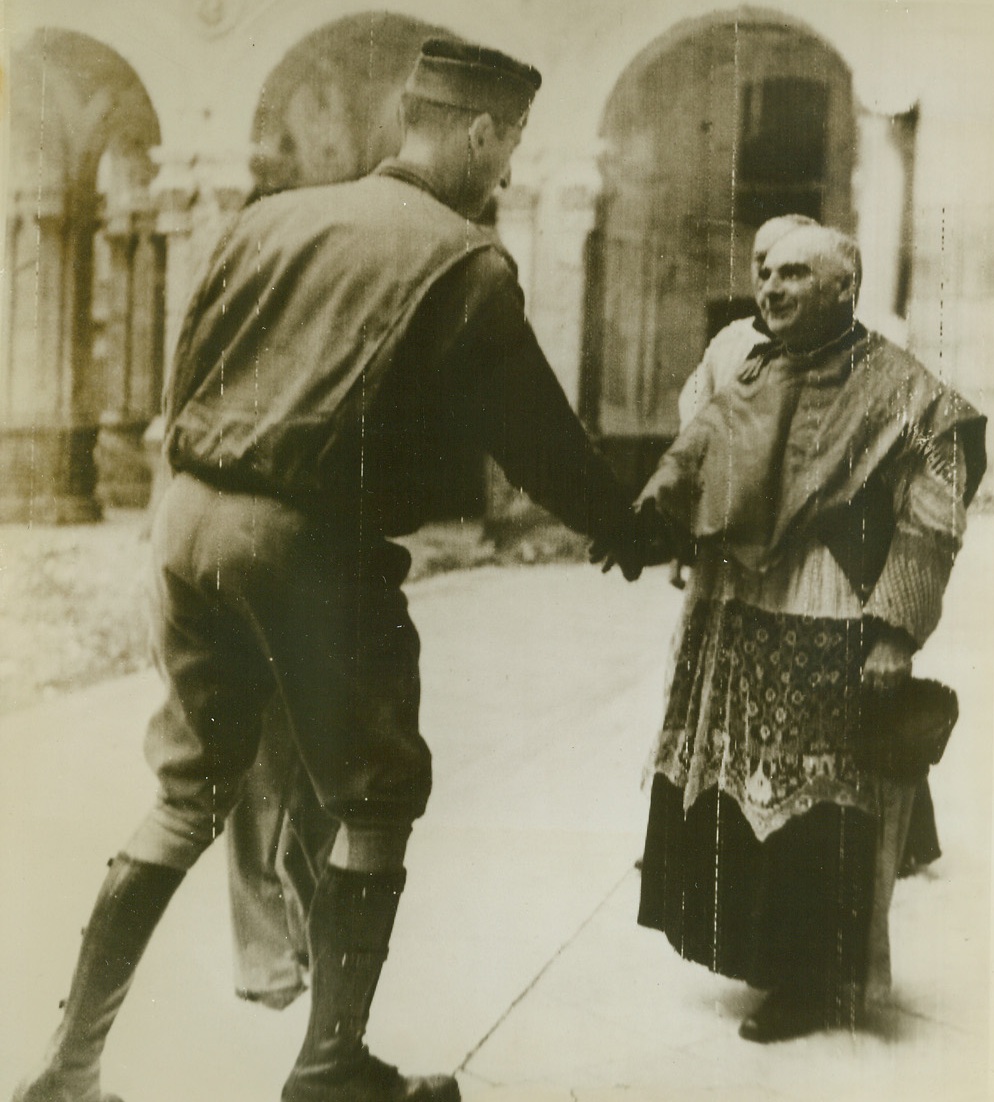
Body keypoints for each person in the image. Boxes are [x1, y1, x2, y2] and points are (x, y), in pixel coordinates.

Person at [13, 38, 654, 1102]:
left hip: (186, 516)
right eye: (508, 151)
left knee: (186, 791)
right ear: (484, 132)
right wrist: (626, 529)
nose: (503, 177)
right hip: (304, 541)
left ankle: (66, 1071)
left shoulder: (267, 218)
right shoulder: (467, 259)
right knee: (378, 795)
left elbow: (188, 376)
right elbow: (537, 437)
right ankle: (330, 1071)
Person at [628, 224, 986, 1042]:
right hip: (738, 608)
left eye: (795, 274)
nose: (773, 288)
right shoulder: (746, 360)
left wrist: (897, 625)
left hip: (829, 608)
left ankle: (813, 980)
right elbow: (698, 443)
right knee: (741, 782)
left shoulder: (898, 383)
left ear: (843, 290)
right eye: (766, 273)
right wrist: (669, 526)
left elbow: (941, 490)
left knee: (815, 795)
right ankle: (764, 961)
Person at [676, 212, 818, 426]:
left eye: (788, 268)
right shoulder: (729, 344)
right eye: (762, 264)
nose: (771, 284)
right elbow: (694, 431)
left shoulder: (842, 351)